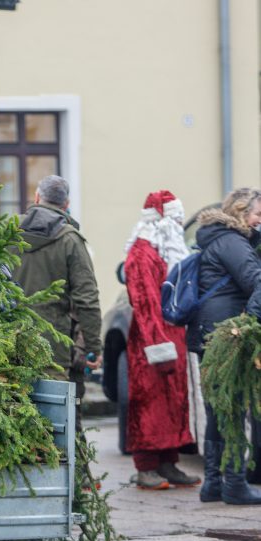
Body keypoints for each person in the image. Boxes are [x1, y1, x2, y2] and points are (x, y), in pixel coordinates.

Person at [187, 187, 261, 505]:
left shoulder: (216, 237)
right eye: (258, 212)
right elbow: (257, 281)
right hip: (227, 332)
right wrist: (249, 321)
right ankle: (233, 483)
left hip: (209, 331)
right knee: (230, 408)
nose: (260, 219)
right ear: (242, 212)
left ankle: (213, 484)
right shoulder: (232, 241)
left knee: (216, 409)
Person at [123, 190, 199, 490]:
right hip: (150, 342)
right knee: (149, 404)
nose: (180, 224)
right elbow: (145, 303)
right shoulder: (142, 254)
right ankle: (146, 467)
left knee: (172, 403)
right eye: (177, 218)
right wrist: (158, 344)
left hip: (172, 337)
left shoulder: (164, 251)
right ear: (163, 220)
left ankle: (169, 462)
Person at [11, 175, 102, 425]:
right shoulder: (70, 240)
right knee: (57, 418)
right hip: (55, 342)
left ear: (37, 198)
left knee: (13, 407)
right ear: (66, 204)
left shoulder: (7, 233)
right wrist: (94, 347)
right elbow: (87, 297)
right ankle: (64, 463)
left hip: (7, 337)